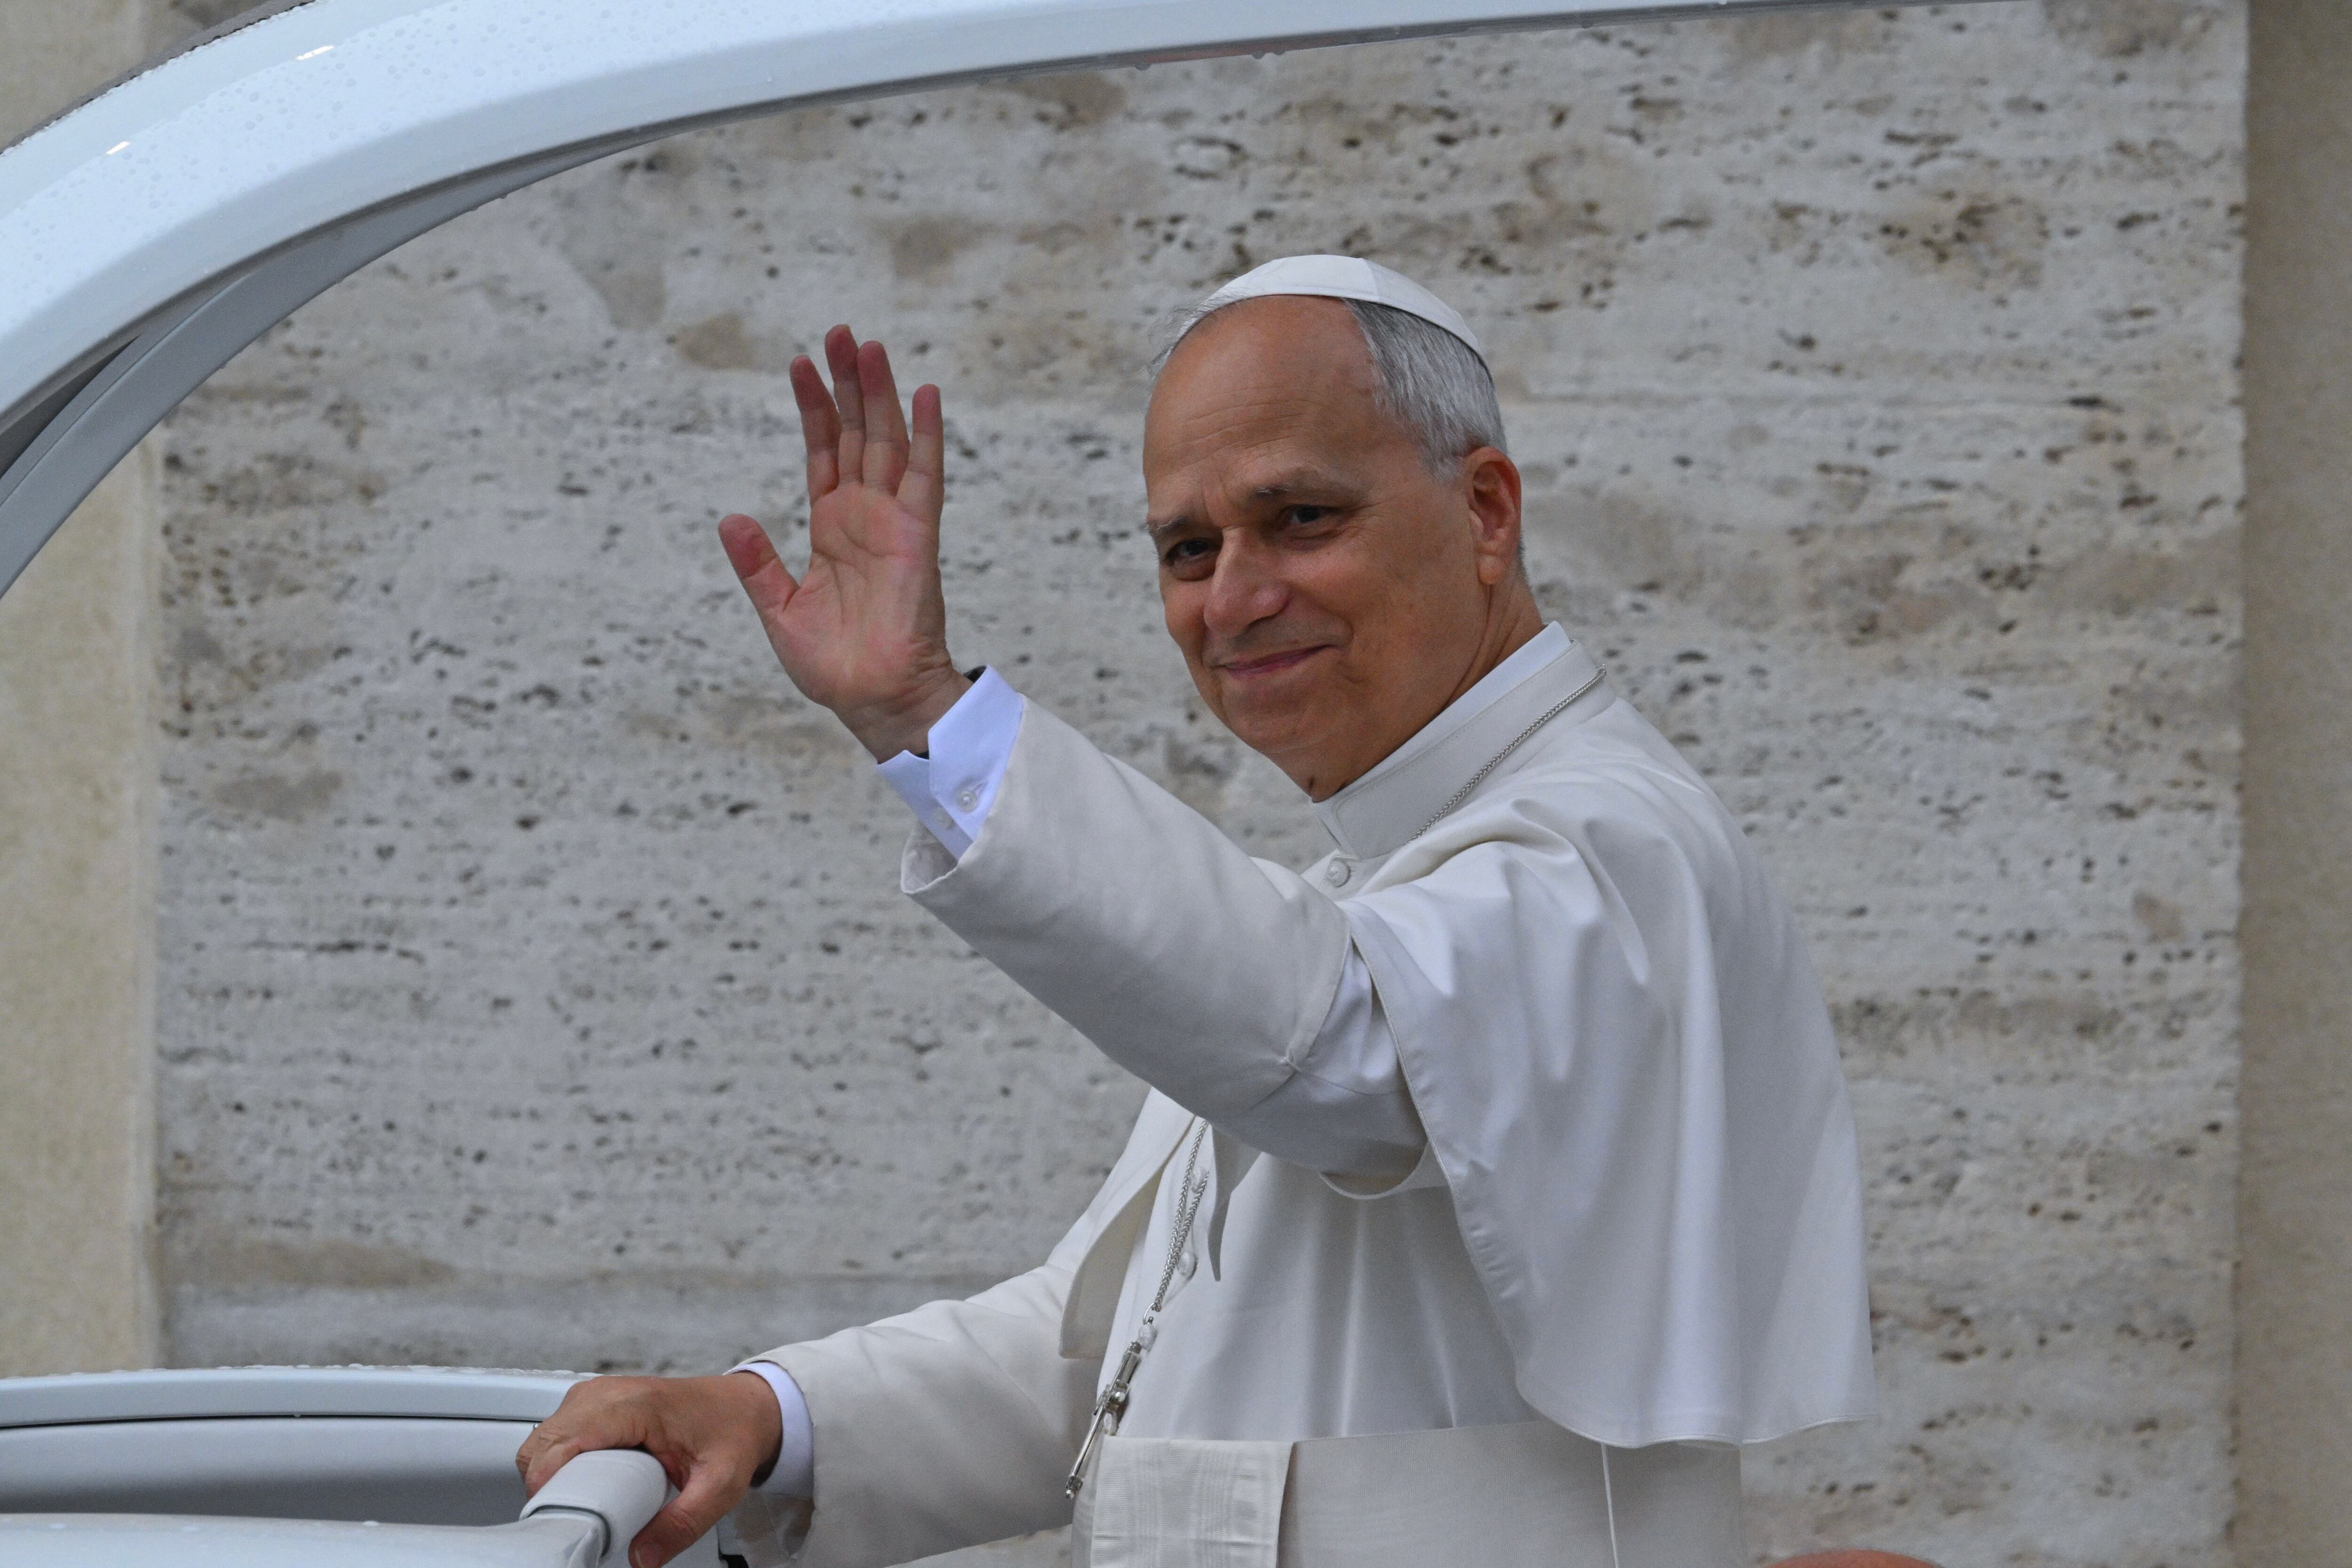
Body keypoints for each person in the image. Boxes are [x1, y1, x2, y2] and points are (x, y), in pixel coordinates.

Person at [516, 255, 1876, 1568]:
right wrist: (766, 1414)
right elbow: (1109, 1358)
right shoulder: (1376, 893)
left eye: (1301, 518)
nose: (1234, 596)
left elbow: (1340, 1048)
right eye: (1187, 547)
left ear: (1486, 513)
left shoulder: (1613, 845)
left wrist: (931, 718)